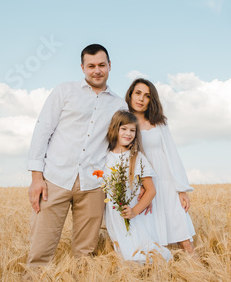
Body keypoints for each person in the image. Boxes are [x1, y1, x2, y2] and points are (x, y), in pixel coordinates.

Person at [26, 44, 127, 267]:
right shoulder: (64, 91)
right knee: (40, 251)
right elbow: (42, 131)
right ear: (82, 67)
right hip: (55, 179)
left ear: (110, 66)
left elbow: (122, 144)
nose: (97, 70)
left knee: (85, 255)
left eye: (102, 65)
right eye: (91, 66)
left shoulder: (120, 104)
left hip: (93, 184)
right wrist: (36, 178)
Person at [125, 78, 196, 253]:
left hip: (165, 181)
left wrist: (181, 188)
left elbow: (172, 154)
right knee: (151, 232)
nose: (141, 99)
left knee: (183, 234)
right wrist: (139, 184)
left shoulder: (159, 122)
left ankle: (202, 274)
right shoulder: (124, 123)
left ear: (152, 100)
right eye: (138, 93)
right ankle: (161, 275)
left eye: (147, 96)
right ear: (130, 95)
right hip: (142, 183)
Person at [102, 110, 171, 262]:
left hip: (133, 214)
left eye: (132, 130)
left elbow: (151, 190)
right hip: (115, 216)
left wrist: (134, 211)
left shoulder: (137, 158)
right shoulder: (105, 157)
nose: (128, 133)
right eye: (124, 129)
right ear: (115, 129)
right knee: (123, 253)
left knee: (141, 253)